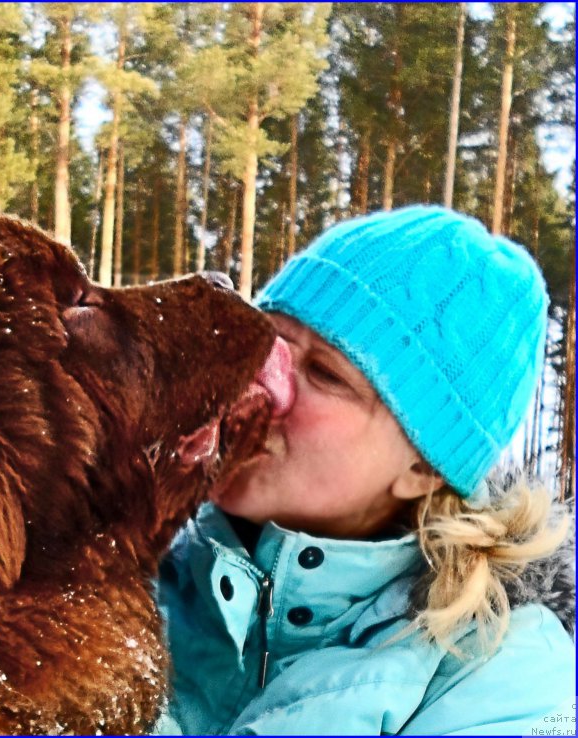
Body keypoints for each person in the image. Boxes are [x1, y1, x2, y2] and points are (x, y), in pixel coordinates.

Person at [155, 205, 575, 736]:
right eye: (262, 345)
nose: (262, 384)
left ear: (423, 467)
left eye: (325, 373)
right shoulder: (125, 572)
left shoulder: (508, 674)